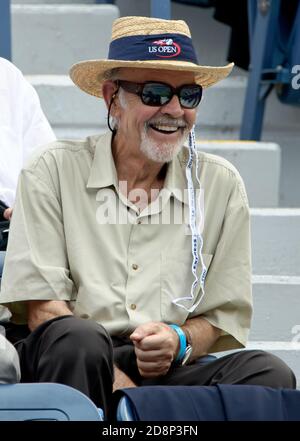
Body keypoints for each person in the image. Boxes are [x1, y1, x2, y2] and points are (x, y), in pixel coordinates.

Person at [0, 16, 296, 418]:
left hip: (165, 366)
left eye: (189, 95)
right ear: (111, 98)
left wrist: (180, 338)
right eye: (155, 93)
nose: (174, 110)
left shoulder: (220, 185)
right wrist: (130, 394)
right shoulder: (51, 170)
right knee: (78, 340)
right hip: (75, 357)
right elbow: (43, 312)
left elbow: (221, 317)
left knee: (269, 375)